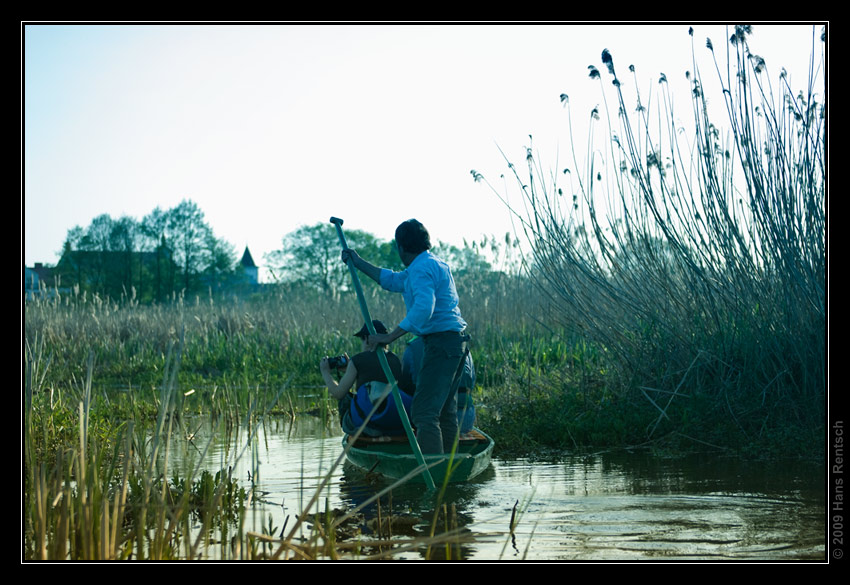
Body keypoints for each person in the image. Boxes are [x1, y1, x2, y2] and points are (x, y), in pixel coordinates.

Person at [341, 219, 468, 454]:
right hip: (454, 343)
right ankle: (451, 467)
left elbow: (423, 309)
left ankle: (434, 472)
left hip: (442, 344)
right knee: (444, 410)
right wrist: (358, 263)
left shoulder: (421, 269)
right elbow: (391, 280)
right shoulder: (429, 264)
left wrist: (389, 337)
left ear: (401, 247)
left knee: (423, 412)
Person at [319, 320, 409, 436]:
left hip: (370, 422)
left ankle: (361, 433)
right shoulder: (396, 360)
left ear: (367, 339)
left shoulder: (358, 360)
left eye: (362, 339)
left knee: (346, 399)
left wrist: (325, 372)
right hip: (394, 421)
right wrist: (351, 370)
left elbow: (338, 393)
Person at [399, 335, 477, 435]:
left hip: (434, 422)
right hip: (466, 419)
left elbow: (405, 384)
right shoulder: (463, 346)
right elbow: (472, 382)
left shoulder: (413, 347)